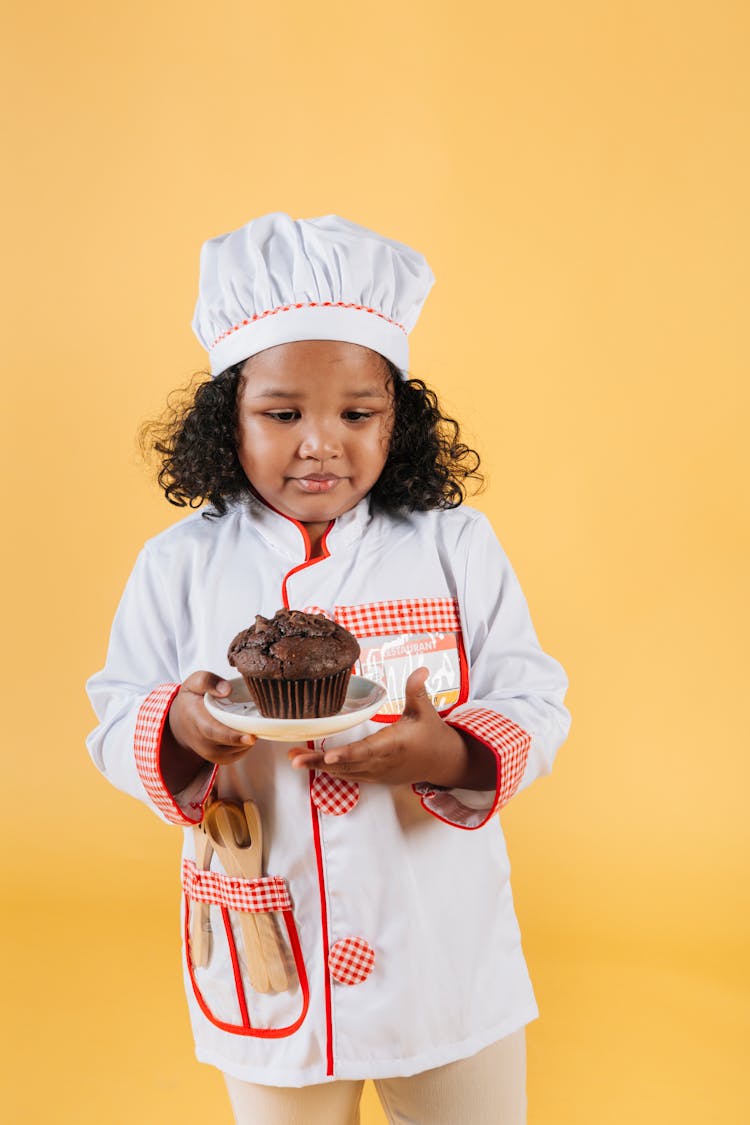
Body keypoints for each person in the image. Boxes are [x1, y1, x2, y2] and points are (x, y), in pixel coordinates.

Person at [86, 212, 570, 1125]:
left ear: (401, 422)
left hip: (441, 947)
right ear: (226, 420)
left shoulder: (454, 544)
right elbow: (113, 715)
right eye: (281, 414)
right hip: (269, 943)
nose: (321, 442)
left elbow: (536, 698)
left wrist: (450, 754)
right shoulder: (178, 562)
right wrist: (178, 730)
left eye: (358, 414)